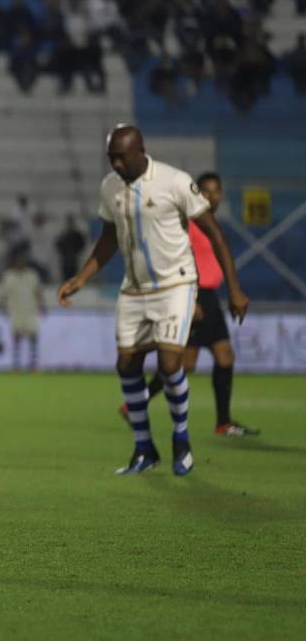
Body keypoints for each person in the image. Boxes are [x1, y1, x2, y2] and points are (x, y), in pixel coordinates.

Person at [58, 125, 248, 476]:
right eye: (110, 157)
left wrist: (234, 289)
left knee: (170, 363)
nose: (115, 163)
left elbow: (215, 233)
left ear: (140, 151)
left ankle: (181, 438)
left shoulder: (175, 182)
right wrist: (81, 279)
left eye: (121, 156)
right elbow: (108, 239)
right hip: (134, 289)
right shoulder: (109, 187)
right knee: (126, 366)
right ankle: (144, 449)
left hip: (177, 284)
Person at [124, 173, 258, 437]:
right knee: (185, 364)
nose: (211, 195)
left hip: (210, 297)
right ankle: (136, 402)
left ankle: (223, 422)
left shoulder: (209, 223)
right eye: (205, 190)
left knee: (222, 357)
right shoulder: (188, 224)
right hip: (195, 296)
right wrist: (190, 299)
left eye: (216, 191)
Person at [1, 249, 43, 371]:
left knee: (33, 335)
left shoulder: (32, 275)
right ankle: (16, 363)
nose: (21, 263)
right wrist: (4, 307)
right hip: (16, 311)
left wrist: (42, 305)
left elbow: (38, 291)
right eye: (18, 261)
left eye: (23, 261)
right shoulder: (9, 276)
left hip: (31, 310)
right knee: (16, 337)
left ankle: (33, 363)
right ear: (14, 263)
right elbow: (4, 294)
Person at [54, 214, 86, 282]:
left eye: (71, 222)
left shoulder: (77, 235)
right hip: (65, 258)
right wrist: (63, 253)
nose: (70, 224)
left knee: (73, 276)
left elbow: (82, 244)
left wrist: (76, 252)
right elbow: (58, 244)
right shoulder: (63, 234)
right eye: (69, 222)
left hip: (74, 258)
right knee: (66, 276)